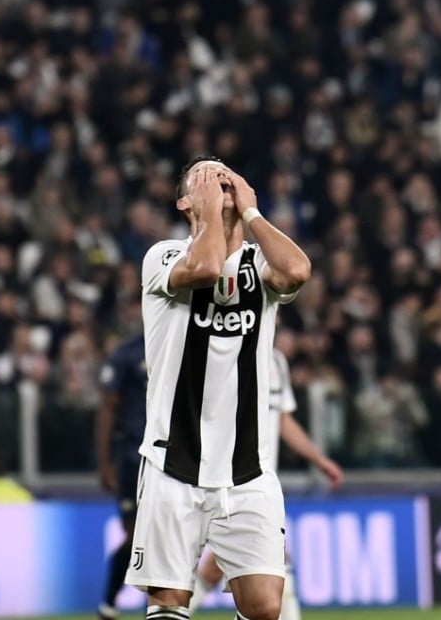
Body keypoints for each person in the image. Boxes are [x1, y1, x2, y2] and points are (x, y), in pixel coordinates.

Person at [126, 157, 311, 620]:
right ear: (184, 201)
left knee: (266, 607)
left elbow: (298, 271)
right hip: (173, 463)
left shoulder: (258, 266)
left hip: (246, 471)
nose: (218, 179)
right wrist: (211, 213)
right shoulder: (163, 257)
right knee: (169, 602)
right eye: (204, 177)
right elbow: (207, 267)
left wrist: (251, 214)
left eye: (224, 173)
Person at [188, 347, 343, 616]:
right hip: (224, 479)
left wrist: (318, 459)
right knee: (261, 561)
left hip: (262, 483)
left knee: (259, 561)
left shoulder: (277, 362)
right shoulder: (221, 349)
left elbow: (283, 419)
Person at [95, 305, 147, 620]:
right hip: (132, 456)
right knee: (137, 535)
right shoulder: (128, 355)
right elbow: (107, 408)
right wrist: (105, 464)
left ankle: (160, 606)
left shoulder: (178, 345)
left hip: (173, 459)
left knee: (166, 536)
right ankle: (109, 603)